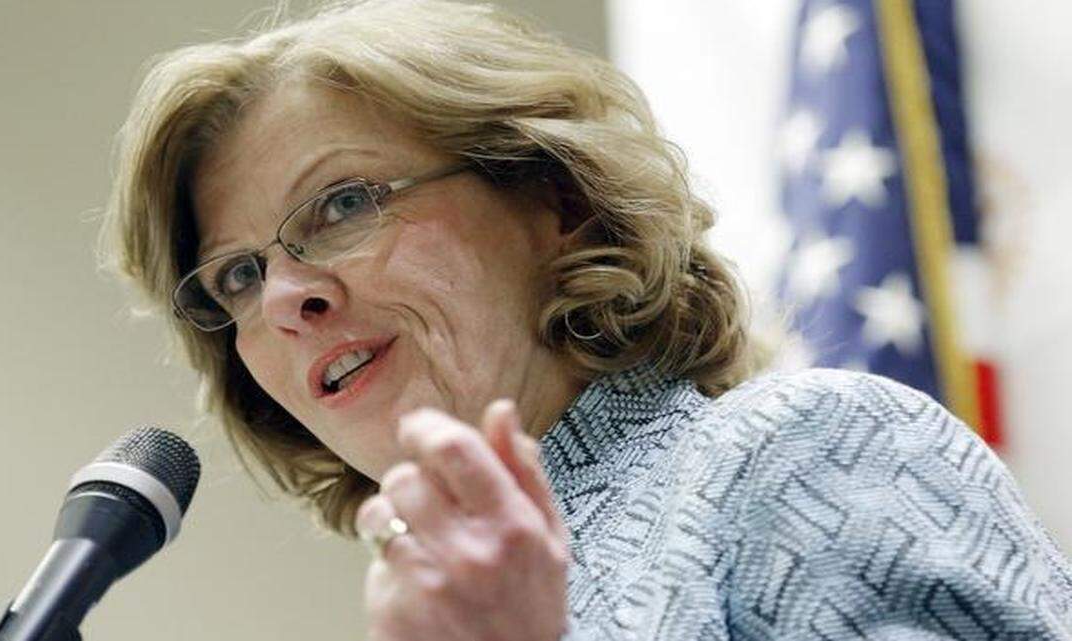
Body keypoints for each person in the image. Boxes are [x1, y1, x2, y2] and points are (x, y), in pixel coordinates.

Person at [100, 0, 1072, 639]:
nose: (282, 298)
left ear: (555, 202)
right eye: (235, 274)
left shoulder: (810, 454)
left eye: (345, 203)